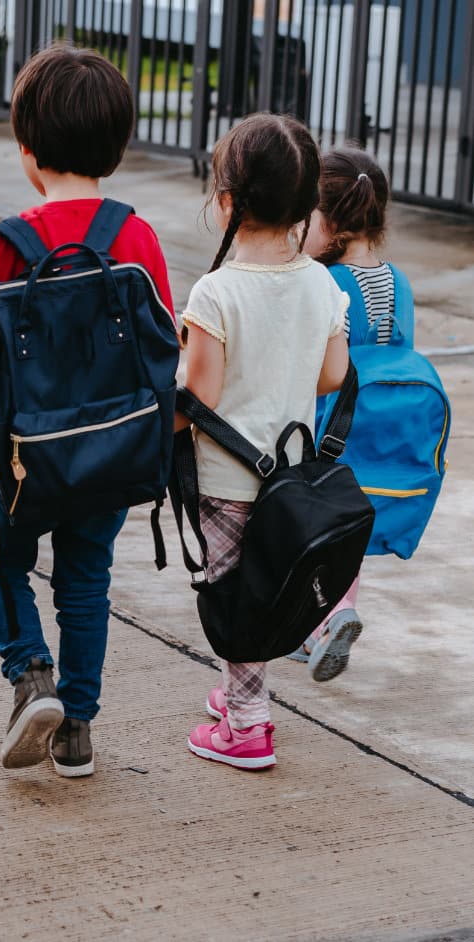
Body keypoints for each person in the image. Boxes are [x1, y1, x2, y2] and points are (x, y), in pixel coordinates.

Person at [0, 45, 175, 779]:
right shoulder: (135, 236)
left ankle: (32, 676)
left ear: (27, 150)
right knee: (86, 579)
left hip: (21, 458)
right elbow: (164, 334)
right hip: (112, 453)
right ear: (118, 146)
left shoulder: (11, 244)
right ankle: (78, 733)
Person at [178, 113, 350, 770]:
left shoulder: (216, 293)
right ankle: (238, 691)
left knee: (237, 595)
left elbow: (200, 397)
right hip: (295, 481)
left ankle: (248, 724)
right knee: (266, 586)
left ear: (225, 201)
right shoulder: (321, 283)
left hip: (228, 481)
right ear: (308, 206)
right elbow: (333, 374)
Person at [288, 148, 408, 681]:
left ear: (329, 222)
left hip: (327, 429)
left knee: (310, 529)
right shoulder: (399, 282)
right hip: (377, 430)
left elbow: (314, 366)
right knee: (348, 530)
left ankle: (323, 619)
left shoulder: (327, 284)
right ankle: (339, 615)